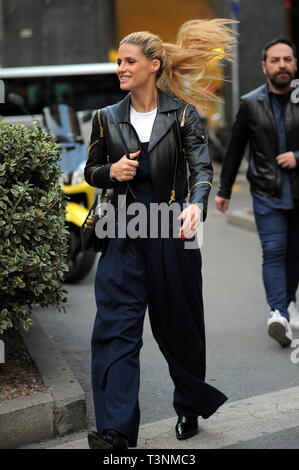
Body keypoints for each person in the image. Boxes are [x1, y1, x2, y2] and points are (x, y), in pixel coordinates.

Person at [84, 19, 235, 449]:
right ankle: (115, 432)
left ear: (153, 66)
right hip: (122, 231)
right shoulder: (105, 118)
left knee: (180, 326)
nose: (120, 68)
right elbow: (90, 172)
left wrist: (196, 204)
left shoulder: (182, 113)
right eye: (118, 62)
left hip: (173, 230)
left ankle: (189, 404)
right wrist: (110, 171)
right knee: (115, 328)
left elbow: (202, 167)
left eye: (129, 61)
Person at [215, 38, 299, 348]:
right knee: (274, 251)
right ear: (264, 66)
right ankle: (277, 313)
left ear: (295, 64)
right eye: (275, 60)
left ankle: (288, 304)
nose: (282, 65)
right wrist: (223, 190)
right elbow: (235, 148)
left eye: (287, 59)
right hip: (266, 191)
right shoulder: (251, 103)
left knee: (294, 255)